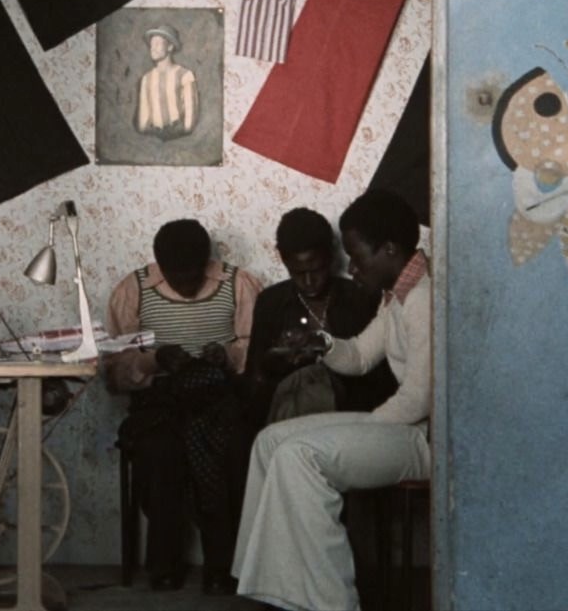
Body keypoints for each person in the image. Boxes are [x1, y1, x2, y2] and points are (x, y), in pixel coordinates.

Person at [232, 189, 430, 611]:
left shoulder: (425, 299)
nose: (352, 267)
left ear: (390, 249)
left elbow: (417, 401)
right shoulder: (398, 295)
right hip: (405, 426)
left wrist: (359, 430)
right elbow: (358, 356)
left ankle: (332, 603)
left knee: (299, 455)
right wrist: (320, 342)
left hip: (428, 439)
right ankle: (269, 588)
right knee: (269, 441)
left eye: (357, 257)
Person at [105, 219, 262, 595]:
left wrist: (226, 356)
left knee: (232, 447)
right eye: (176, 277)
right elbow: (113, 372)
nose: (186, 286)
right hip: (160, 402)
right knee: (161, 451)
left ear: (206, 263)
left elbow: (256, 349)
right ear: (159, 265)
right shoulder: (134, 289)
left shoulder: (238, 284)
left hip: (217, 398)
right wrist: (154, 361)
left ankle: (224, 564)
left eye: (193, 277)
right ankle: (164, 564)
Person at [243, 207, 396, 429]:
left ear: (330, 256)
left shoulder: (360, 297)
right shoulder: (271, 302)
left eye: (316, 270)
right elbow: (254, 378)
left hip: (351, 417)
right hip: (289, 415)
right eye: (298, 272)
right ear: (284, 261)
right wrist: (279, 361)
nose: (308, 282)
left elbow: (381, 376)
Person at [136, 24, 198, 139]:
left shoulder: (185, 75)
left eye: (157, 43)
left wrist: (182, 132)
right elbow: (143, 120)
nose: (152, 48)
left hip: (179, 137)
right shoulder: (146, 78)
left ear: (170, 47)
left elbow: (190, 118)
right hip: (153, 138)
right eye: (151, 44)